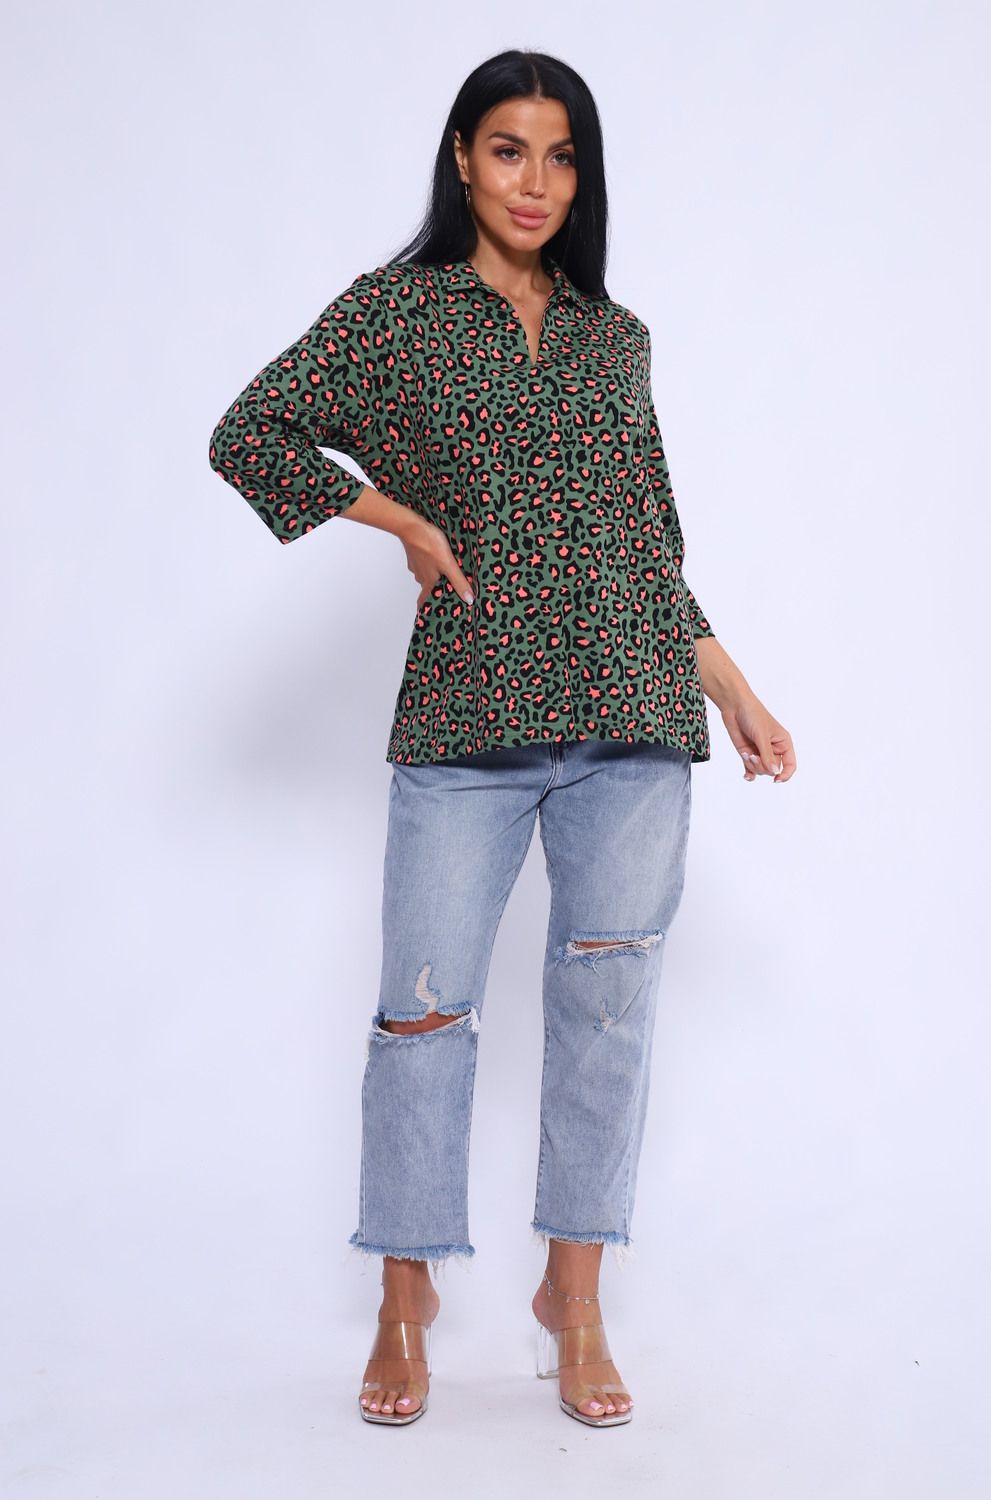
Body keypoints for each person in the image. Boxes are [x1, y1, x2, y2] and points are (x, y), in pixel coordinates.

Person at [208, 49, 796, 1430]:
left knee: (606, 1017)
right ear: (464, 159)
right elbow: (251, 435)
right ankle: (403, 1301)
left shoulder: (613, 337)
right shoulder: (397, 315)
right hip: (467, 720)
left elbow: (647, 548)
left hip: (632, 723)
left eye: (562, 156)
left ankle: (571, 1301)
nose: (537, 182)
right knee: (422, 1016)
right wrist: (401, 518)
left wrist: (735, 689)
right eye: (510, 150)